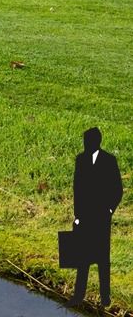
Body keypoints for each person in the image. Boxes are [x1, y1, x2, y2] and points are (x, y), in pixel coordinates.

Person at [74, 126, 122, 306]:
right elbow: (77, 189)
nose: (86, 144)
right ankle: (78, 295)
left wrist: (110, 210)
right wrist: (77, 215)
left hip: (101, 216)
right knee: (82, 257)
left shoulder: (109, 160)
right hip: (85, 216)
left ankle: (105, 297)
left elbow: (117, 189)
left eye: (89, 141)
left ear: (96, 142)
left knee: (103, 257)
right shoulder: (80, 160)